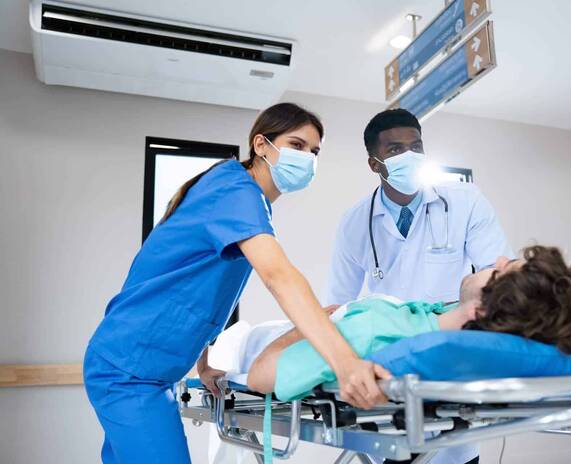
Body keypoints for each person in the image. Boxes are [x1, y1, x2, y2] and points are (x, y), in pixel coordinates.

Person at [83, 103, 390, 464]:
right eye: (296, 145)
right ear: (261, 144)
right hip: (129, 371)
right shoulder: (236, 192)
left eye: (314, 151)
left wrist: (203, 364)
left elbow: (197, 293)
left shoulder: (242, 196)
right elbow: (279, 276)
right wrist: (345, 363)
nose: (307, 158)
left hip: (134, 366)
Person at [325, 108, 513, 463]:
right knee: (394, 449)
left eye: (416, 147)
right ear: (374, 163)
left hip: (449, 356)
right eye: (395, 150)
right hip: (390, 360)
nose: (409, 156)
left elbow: (499, 275)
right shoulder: (354, 223)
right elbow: (336, 305)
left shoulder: (464, 201)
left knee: (453, 451)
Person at [247, 245, 571, 402]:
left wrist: (315, 320)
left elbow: (258, 375)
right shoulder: (440, 317)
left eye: (500, 271)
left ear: (482, 312)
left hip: (253, 342)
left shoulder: (372, 333)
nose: (497, 259)